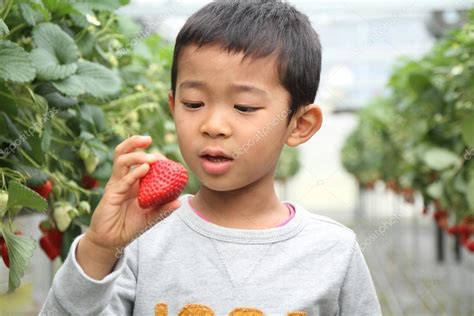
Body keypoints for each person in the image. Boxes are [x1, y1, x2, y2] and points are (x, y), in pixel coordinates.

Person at [40, 0, 381, 315]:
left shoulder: (333, 251)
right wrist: (99, 248)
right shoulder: (141, 241)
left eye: (244, 107)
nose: (213, 125)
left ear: (300, 124)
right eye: (193, 103)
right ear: (173, 107)